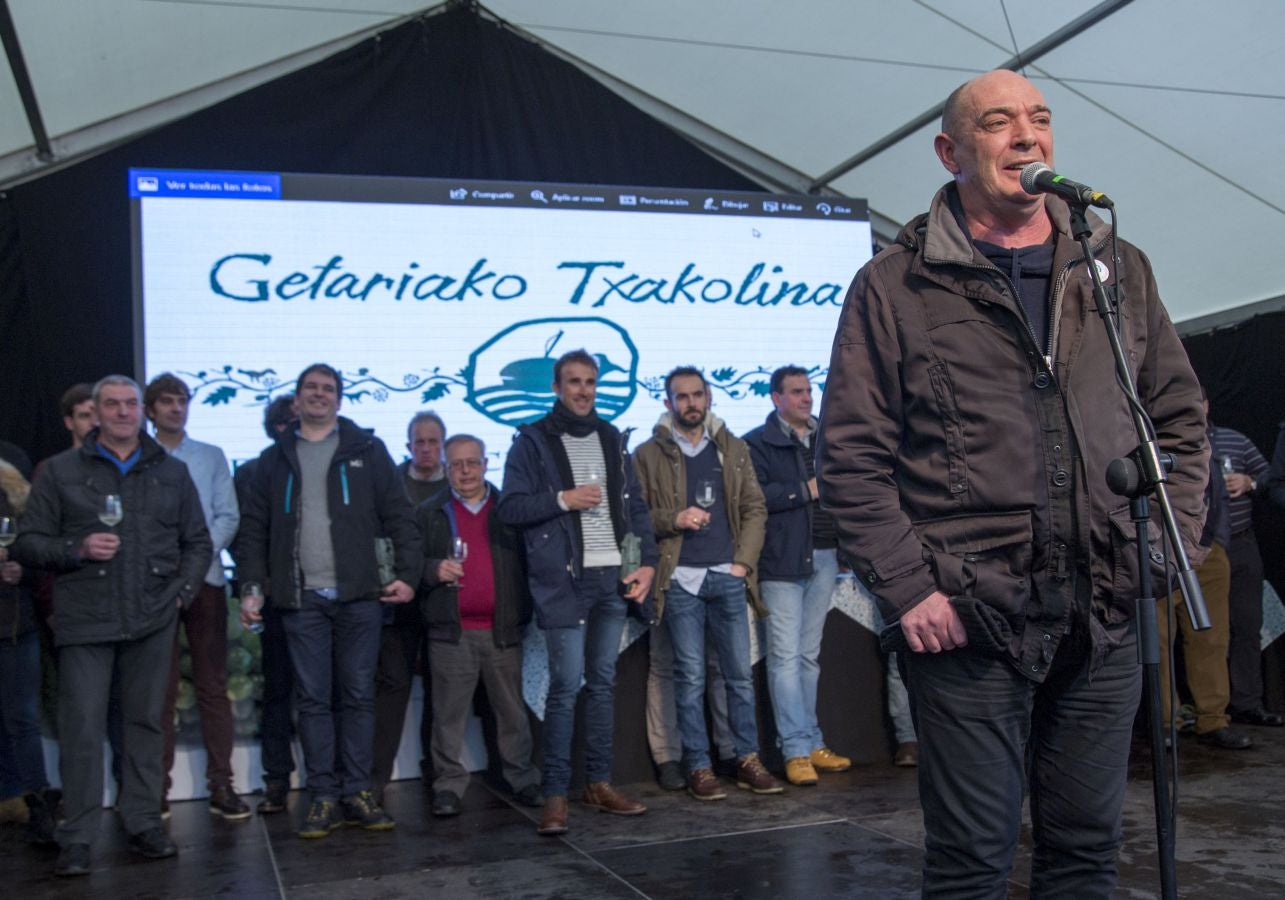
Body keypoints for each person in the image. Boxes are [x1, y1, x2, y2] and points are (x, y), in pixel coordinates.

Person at [816, 70, 1208, 896]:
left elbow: (1177, 419)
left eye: (1038, 118)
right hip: (967, 620)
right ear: (950, 151)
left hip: (1102, 614)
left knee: (1085, 854)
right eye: (998, 123)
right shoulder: (896, 284)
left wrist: (1164, 549)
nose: (1027, 136)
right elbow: (851, 456)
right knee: (971, 866)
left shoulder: (1116, 270)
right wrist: (908, 588)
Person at [15, 375, 212, 877]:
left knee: (146, 724)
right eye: (112, 405)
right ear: (94, 413)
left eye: (130, 404)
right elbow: (28, 542)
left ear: (142, 412)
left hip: (152, 618)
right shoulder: (59, 472)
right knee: (81, 729)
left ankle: (143, 821)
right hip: (85, 619)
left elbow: (198, 543)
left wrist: (182, 595)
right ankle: (78, 835)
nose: (124, 413)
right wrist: (74, 549)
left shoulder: (171, 472)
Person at [236, 364, 420, 839]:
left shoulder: (367, 450)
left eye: (328, 389)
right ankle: (321, 796)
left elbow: (399, 515)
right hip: (301, 600)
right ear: (296, 400)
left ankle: (357, 791)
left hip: (360, 596)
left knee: (358, 695)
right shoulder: (272, 460)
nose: (319, 395)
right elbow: (254, 531)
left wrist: (408, 575)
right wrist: (252, 585)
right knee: (314, 700)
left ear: (339, 400)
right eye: (311, 389)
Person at [497, 348, 657, 836]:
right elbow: (510, 509)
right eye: (574, 382)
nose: (584, 390)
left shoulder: (612, 438)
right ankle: (555, 796)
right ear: (556, 388)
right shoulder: (532, 441)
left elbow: (637, 509)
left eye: (590, 382)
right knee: (565, 690)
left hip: (613, 579)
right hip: (563, 583)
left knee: (603, 686)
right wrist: (563, 499)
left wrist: (647, 562)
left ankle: (599, 784)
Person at [633, 366, 779, 801]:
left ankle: (746, 758)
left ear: (710, 398)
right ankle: (698, 765)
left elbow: (755, 507)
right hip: (679, 579)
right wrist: (673, 519)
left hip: (727, 576)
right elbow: (637, 517)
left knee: (736, 675)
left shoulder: (732, 447)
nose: (691, 403)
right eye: (682, 396)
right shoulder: (647, 454)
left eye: (698, 395)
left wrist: (742, 565)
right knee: (690, 676)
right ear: (667, 403)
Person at [143, 373, 249, 819]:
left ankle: (222, 786)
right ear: (150, 410)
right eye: (165, 401)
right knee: (158, 692)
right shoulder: (139, 459)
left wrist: (196, 557)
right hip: (153, 585)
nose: (175, 408)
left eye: (181, 400)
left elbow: (229, 515)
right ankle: (156, 792)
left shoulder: (209, 456)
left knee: (212, 687)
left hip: (204, 580)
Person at [418, 434, 541, 816]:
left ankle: (521, 779)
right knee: (448, 717)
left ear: (487, 463)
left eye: (472, 462)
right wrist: (431, 569)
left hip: (502, 630)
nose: (466, 471)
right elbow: (408, 563)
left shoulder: (510, 509)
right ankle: (448, 787)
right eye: (456, 464)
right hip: (451, 632)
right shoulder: (428, 512)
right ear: (446, 468)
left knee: (511, 715)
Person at [743, 365, 850, 786]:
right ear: (776, 398)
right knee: (785, 659)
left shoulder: (828, 438)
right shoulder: (757, 443)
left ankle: (811, 741)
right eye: (797, 392)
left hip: (824, 558)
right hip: (781, 562)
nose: (807, 398)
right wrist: (804, 491)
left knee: (808, 657)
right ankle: (793, 749)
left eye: (809, 390)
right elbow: (752, 499)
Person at [371, 410, 451, 801]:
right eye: (419, 441)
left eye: (433, 441)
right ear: (408, 446)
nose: (426, 448)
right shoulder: (391, 485)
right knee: (392, 688)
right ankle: (375, 778)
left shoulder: (459, 487)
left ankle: (436, 775)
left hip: (440, 603)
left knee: (440, 693)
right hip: (398, 606)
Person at [1157, 431, 1249, 749]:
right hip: (1163, 550)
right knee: (1158, 640)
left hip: (1207, 550)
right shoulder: (1143, 432)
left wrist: (1217, 542)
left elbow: (1218, 494)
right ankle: (1166, 722)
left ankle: (1212, 719)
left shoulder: (1207, 441)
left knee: (1211, 638)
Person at [232, 393, 298, 813]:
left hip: (325, 595)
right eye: (292, 422)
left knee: (325, 693)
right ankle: (277, 779)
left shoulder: (330, 465)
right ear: (278, 428)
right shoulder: (255, 471)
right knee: (278, 691)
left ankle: (334, 778)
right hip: (277, 599)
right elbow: (245, 539)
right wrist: (257, 584)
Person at [1209, 405, 1282, 727]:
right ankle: (1208, 713)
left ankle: (1247, 703)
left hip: (1241, 543)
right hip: (1200, 546)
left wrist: (1250, 481)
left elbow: (1270, 477)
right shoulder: (1173, 445)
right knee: (1208, 633)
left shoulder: (1234, 441)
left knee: (1248, 626)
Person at [0, 460, 56, 846]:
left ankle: (37, 807)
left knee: (21, 719)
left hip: (13, 624)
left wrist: (23, 570)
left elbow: (41, 553)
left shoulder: (14, 492)